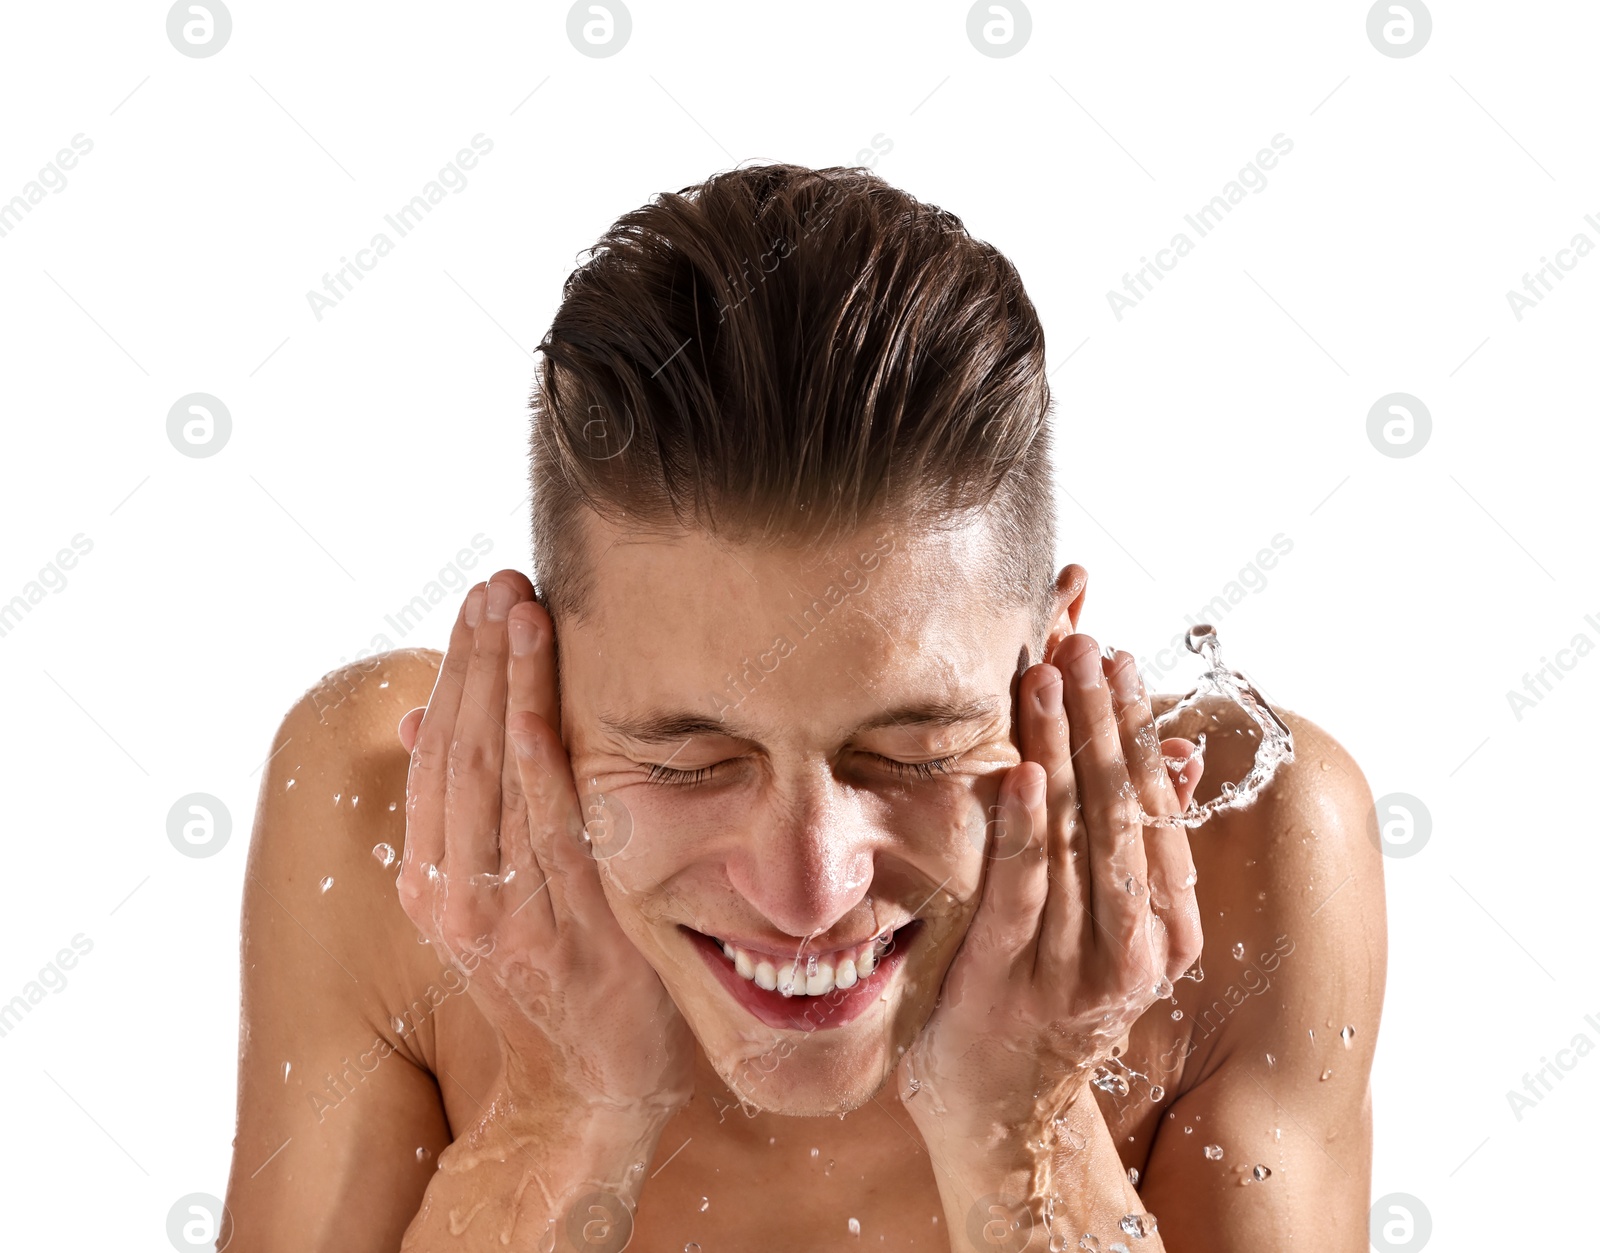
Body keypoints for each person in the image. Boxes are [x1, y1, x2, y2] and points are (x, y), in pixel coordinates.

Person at [222, 164, 1385, 1252]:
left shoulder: (1249, 849)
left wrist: (1020, 1129)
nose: (806, 890)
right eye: (689, 760)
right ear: (546, 691)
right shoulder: (394, 828)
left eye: (911, 752)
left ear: (1048, 668)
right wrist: (560, 1111)